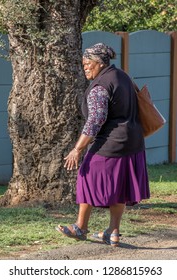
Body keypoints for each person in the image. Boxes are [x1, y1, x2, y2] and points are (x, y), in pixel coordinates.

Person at [56, 43, 150, 247]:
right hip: (133, 143)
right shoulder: (121, 75)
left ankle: (80, 227)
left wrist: (77, 149)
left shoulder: (101, 85)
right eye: (83, 64)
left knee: (85, 177)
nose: (85, 68)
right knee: (120, 186)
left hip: (111, 143)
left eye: (87, 64)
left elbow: (95, 120)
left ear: (99, 63)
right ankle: (113, 232)